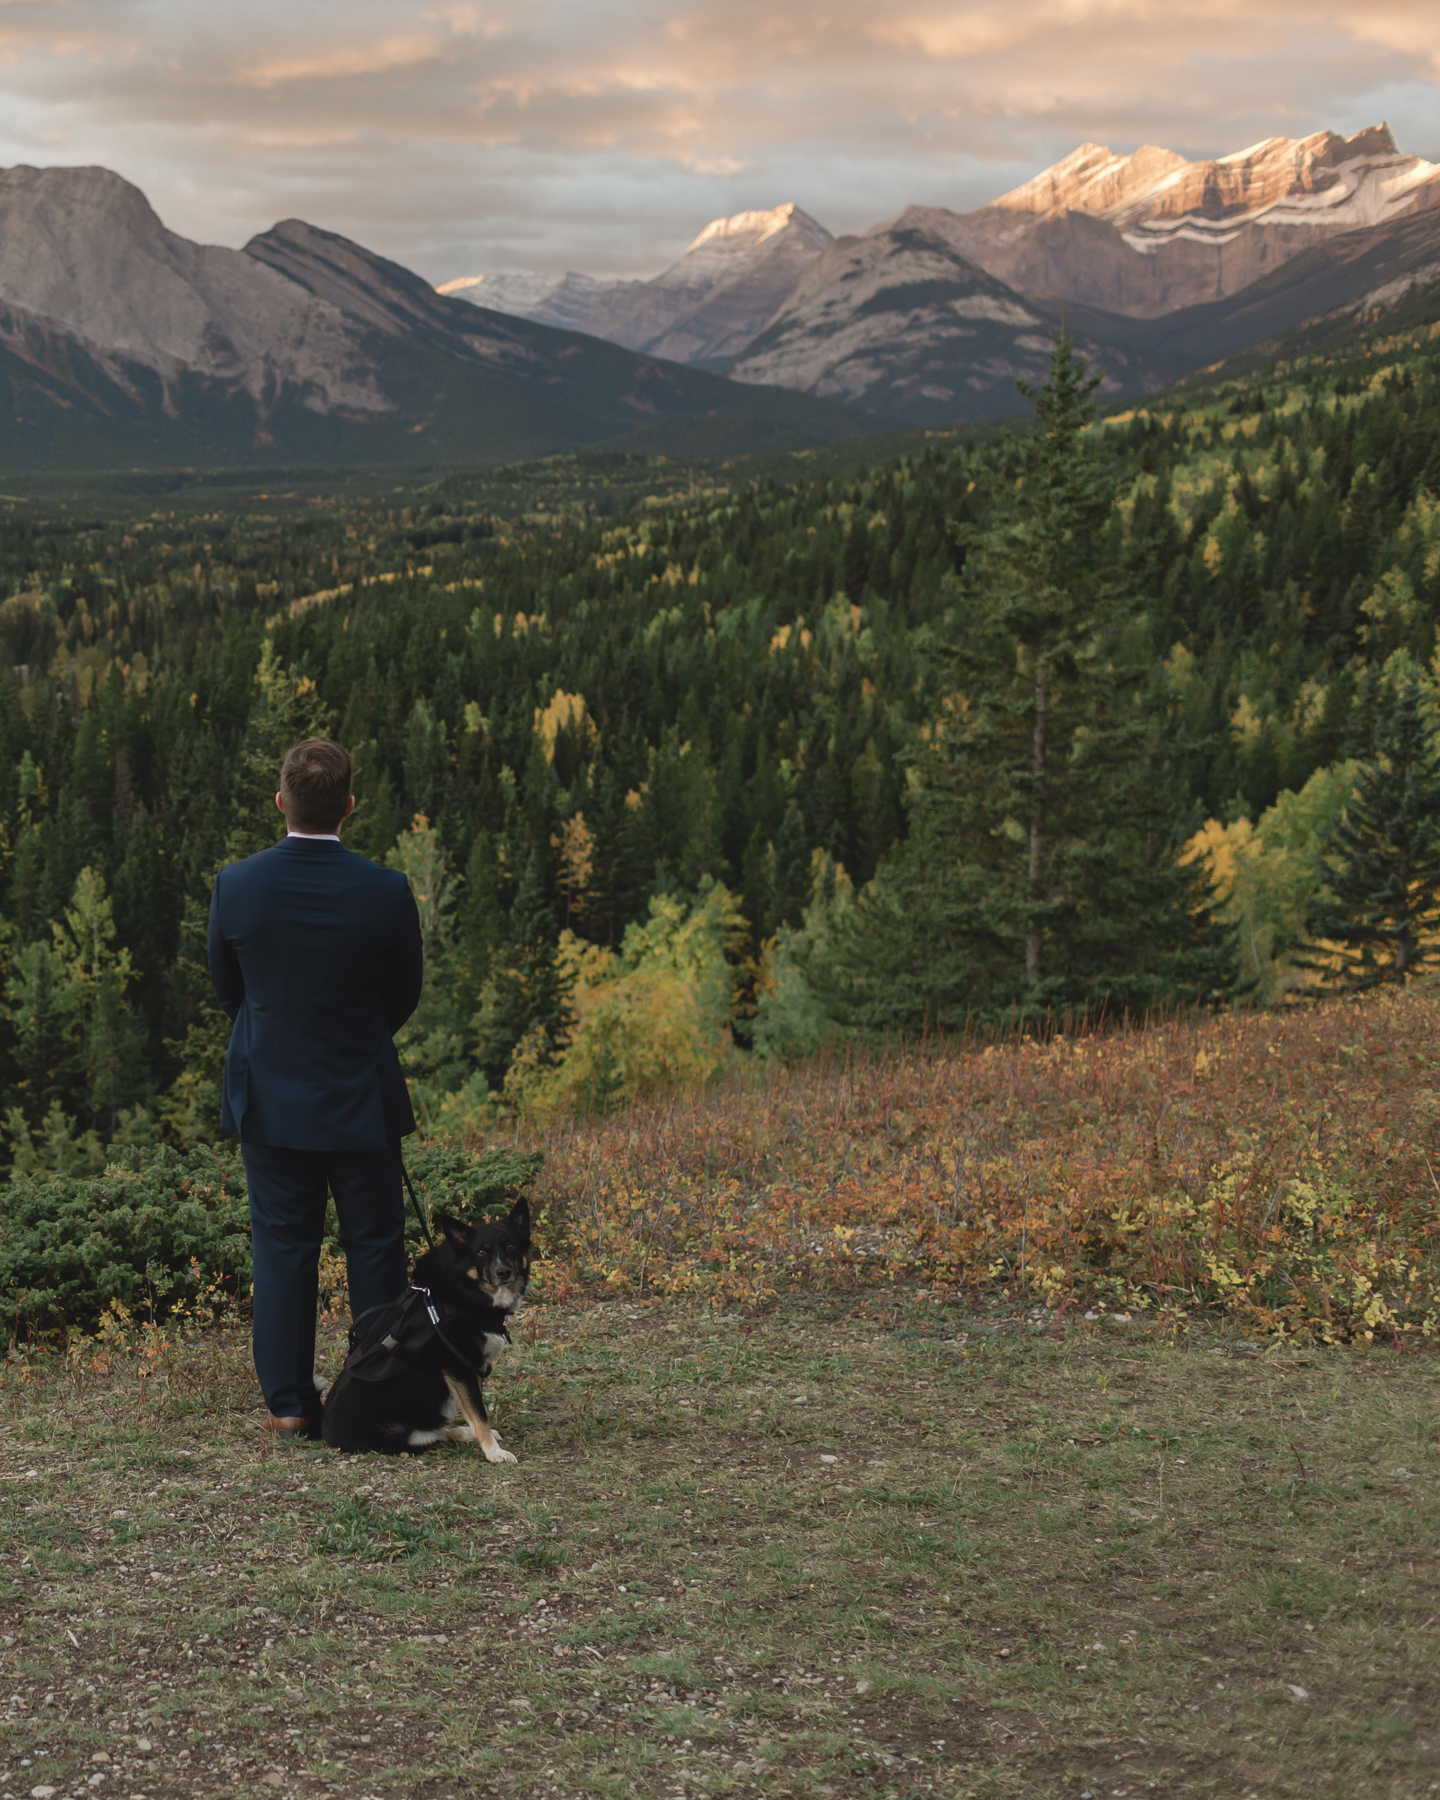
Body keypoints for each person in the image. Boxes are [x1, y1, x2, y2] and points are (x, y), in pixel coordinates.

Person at [208, 738, 423, 1437]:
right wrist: (354, 1040)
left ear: (282, 803)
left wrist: (280, 1037)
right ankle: (380, 1387)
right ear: (349, 808)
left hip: (270, 1098)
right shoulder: (387, 890)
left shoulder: (237, 885)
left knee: (282, 1247)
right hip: (360, 1094)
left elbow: (227, 992)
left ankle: (291, 1404)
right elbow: (403, 995)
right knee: (375, 1244)